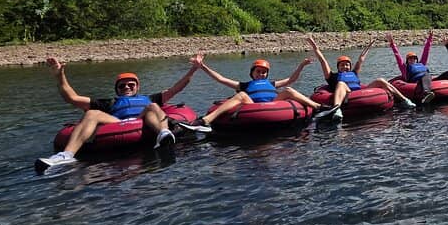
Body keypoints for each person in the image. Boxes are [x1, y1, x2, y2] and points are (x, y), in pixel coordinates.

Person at [35, 56, 200, 170]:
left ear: (137, 87)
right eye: (122, 86)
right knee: (91, 114)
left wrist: (193, 69)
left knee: (153, 106)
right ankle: (66, 155)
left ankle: (164, 135)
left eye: (131, 85)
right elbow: (72, 98)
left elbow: (177, 88)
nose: (127, 87)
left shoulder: (150, 98)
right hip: (117, 122)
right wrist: (60, 76)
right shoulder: (109, 102)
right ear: (117, 89)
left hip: (144, 118)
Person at [188, 53, 322, 128]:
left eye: (264, 72)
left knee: (288, 89)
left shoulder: (272, 84)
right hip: (252, 104)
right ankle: (206, 121)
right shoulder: (244, 85)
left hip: (274, 103)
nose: (261, 74)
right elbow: (220, 78)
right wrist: (202, 66)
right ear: (252, 73)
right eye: (258, 71)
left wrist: (302, 65)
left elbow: (292, 79)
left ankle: (318, 107)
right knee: (241, 94)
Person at [306, 35, 416, 120]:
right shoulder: (332, 76)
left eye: (347, 65)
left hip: (359, 91)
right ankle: (337, 109)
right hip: (346, 94)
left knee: (380, 80)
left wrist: (369, 46)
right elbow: (322, 60)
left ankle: (405, 100)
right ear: (338, 67)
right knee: (341, 83)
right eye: (342, 65)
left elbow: (361, 59)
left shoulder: (354, 73)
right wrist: (314, 46)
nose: (345, 66)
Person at [386, 30, 448, 103]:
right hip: (416, 83)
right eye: (410, 59)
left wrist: (430, 38)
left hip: (427, 80)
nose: (412, 60)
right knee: (426, 75)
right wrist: (392, 44)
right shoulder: (404, 67)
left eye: (414, 58)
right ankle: (426, 93)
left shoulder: (421, 63)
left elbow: (426, 51)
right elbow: (397, 55)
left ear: (416, 60)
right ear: (407, 61)